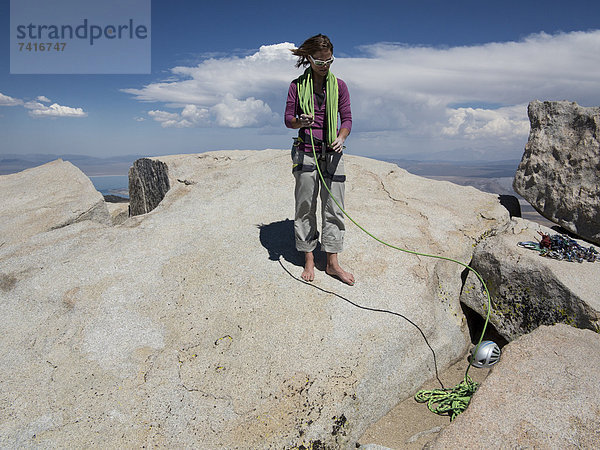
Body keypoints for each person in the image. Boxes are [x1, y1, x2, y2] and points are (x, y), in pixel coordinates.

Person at [284, 34, 355, 286]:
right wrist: (299, 122)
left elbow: (346, 118)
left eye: (329, 61)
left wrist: (341, 136)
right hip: (306, 149)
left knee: (334, 206)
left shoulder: (340, 86)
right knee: (305, 205)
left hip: (332, 151)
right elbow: (288, 120)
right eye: (320, 62)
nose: (325, 66)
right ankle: (309, 257)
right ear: (309, 59)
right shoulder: (296, 86)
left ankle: (332, 262)